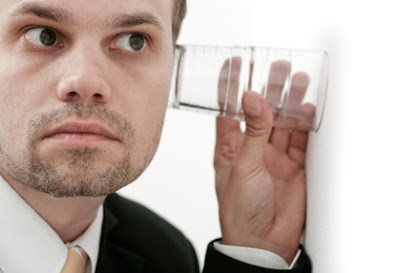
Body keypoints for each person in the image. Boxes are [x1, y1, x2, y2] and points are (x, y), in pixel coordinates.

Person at [0, 0, 312, 272]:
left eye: (134, 41)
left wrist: (252, 253)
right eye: (44, 36)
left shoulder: (164, 255)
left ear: (173, 69)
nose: (86, 81)